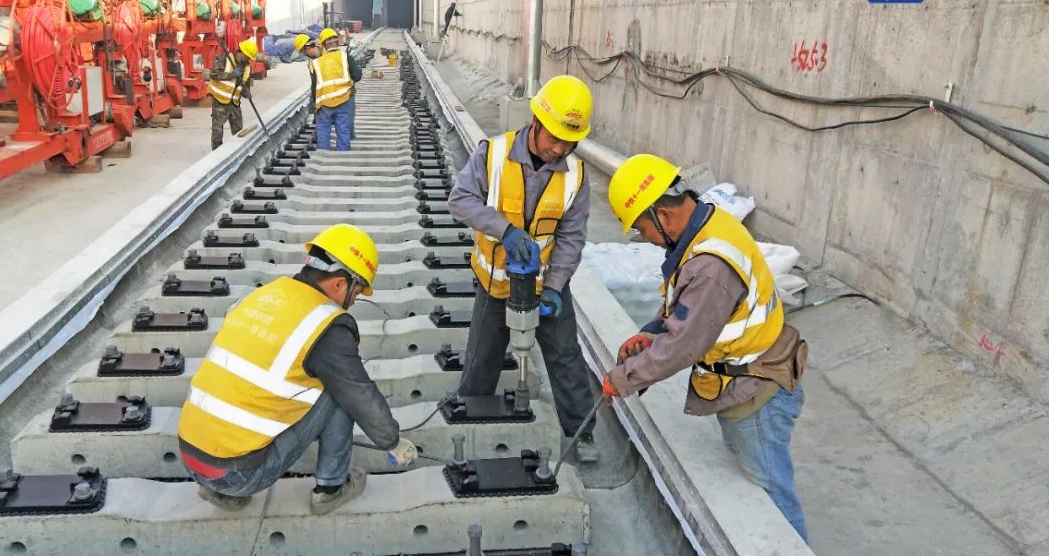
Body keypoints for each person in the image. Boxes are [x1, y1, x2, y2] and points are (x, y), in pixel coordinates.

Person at [602, 154, 810, 542]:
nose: (645, 238)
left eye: (642, 229)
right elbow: (685, 307)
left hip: (758, 391)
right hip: (748, 377)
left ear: (663, 216)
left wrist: (623, 379)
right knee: (756, 483)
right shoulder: (708, 225)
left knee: (773, 501)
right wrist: (651, 332)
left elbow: (683, 345)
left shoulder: (711, 265)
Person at [177, 224, 419, 514]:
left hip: (191, 457)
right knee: (339, 391)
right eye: (357, 292)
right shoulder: (325, 326)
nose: (354, 301)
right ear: (339, 284)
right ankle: (331, 489)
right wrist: (392, 442)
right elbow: (359, 394)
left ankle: (219, 491)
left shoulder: (264, 295)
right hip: (239, 473)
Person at [447, 75, 600, 463]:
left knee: (566, 356)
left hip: (545, 284)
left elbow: (572, 237)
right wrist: (505, 230)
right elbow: (460, 200)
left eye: (569, 142)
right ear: (536, 122)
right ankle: (472, 417)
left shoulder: (575, 176)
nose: (559, 149)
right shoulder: (493, 155)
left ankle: (581, 432)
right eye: (554, 138)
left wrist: (556, 286)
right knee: (483, 355)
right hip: (496, 282)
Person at [310, 28, 362, 151]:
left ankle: (323, 156)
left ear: (323, 45)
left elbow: (314, 87)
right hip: (344, 100)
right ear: (337, 42)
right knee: (343, 129)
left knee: (323, 131)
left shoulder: (316, 63)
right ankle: (343, 156)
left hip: (324, 104)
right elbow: (357, 76)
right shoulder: (346, 57)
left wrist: (314, 106)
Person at [206, 37, 257, 150]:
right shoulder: (225, 59)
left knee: (239, 131)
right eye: (247, 56)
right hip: (220, 101)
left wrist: (246, 92)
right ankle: (216, 154)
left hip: (234, 103)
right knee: (217, 131)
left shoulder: (247, 67)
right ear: (241, 52)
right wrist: (231, 75)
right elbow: (213, 74)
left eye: (249, 58)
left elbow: (245, 85)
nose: (247, 59)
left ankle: (239, 151)